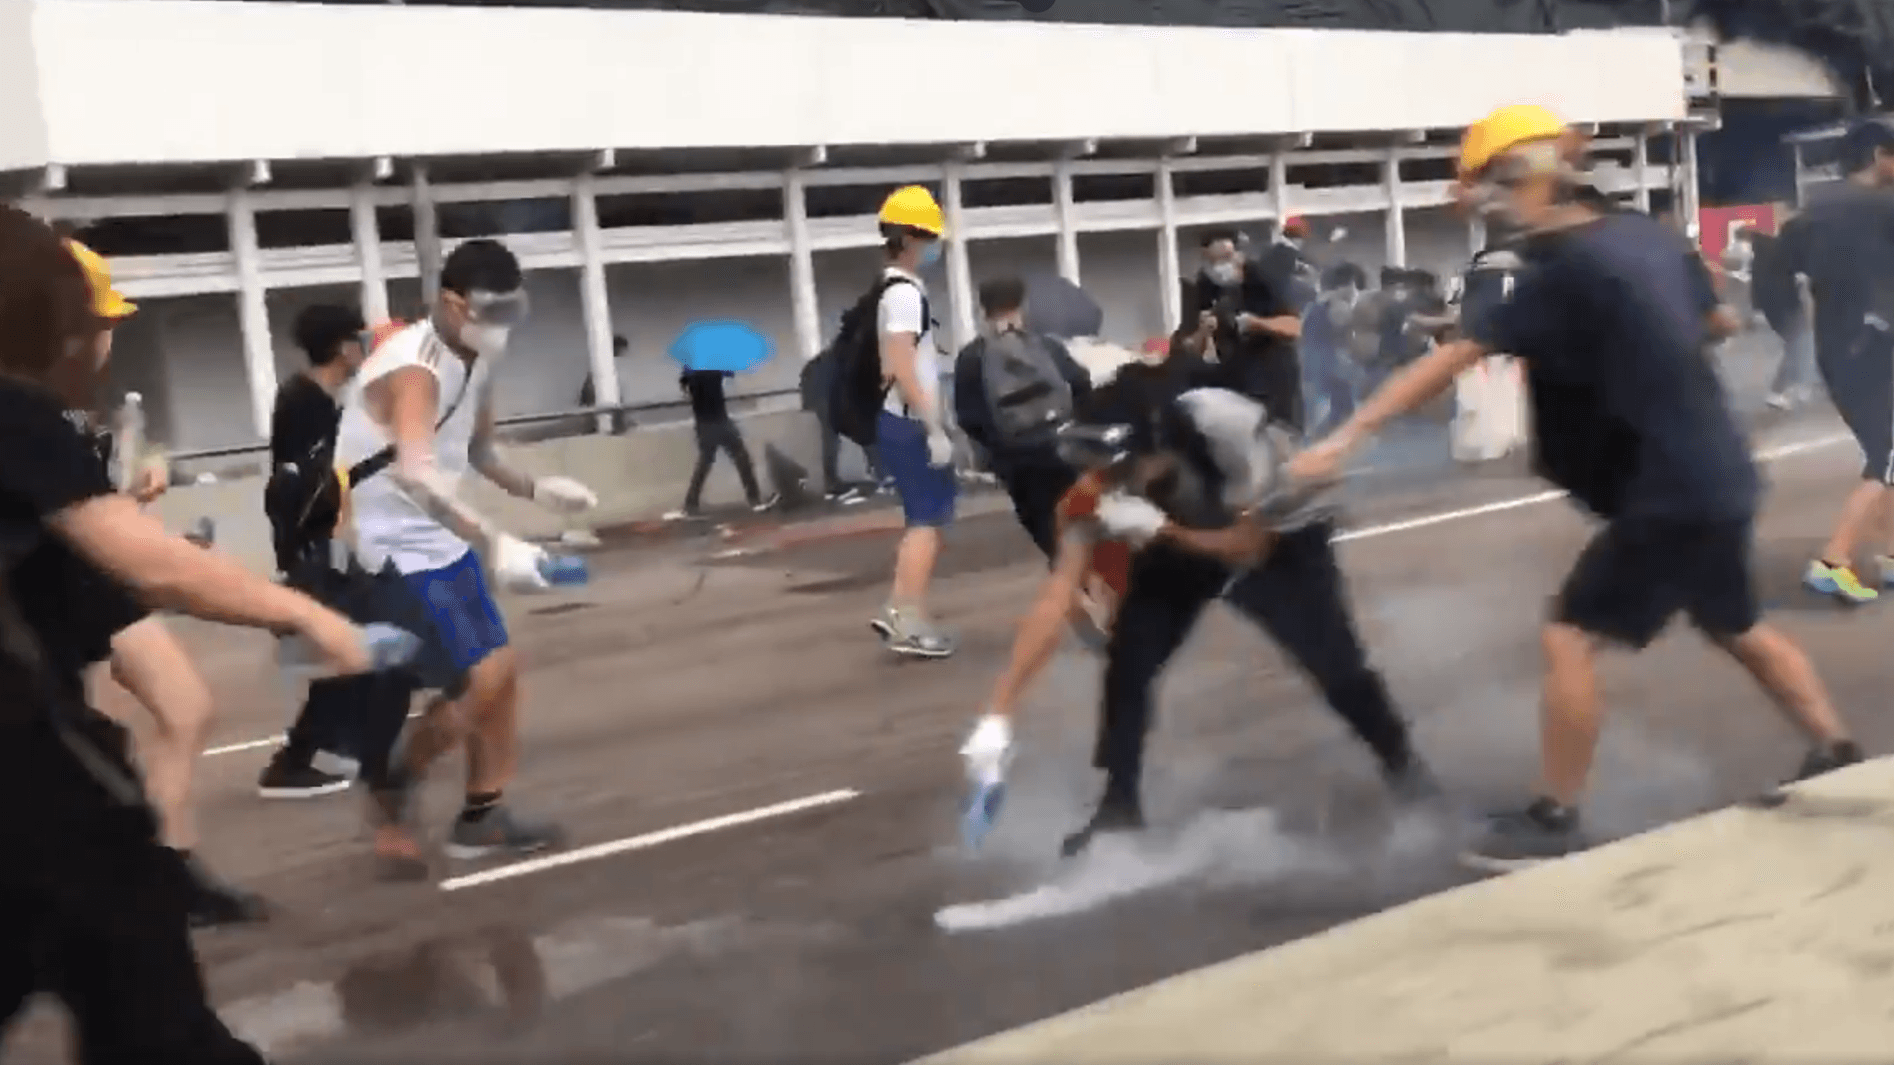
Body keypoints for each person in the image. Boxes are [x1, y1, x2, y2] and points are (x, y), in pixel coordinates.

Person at [1290, 104, 1863, 871]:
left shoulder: (1567, 270)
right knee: (1735, 624)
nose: (1483, 205)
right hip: (1718, 472)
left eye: (1487, 187)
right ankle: (1836, 747)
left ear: (1524, 178)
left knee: (1568, 633)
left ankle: (1553, 818)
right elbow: (1719, 321)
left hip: (1670, 488)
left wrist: (1341, 441)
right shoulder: (1642, 239)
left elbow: (1455, 355)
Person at [0, 204, 382, 1064]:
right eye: (91, 323)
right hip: (33, 779)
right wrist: (309, 613)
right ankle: (168, 871)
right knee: (159, 1021)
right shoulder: (20, 409)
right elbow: (153, 565)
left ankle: (172, 869)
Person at [1051, 367, 1437, 857]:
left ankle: (1410, 777)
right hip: (1187, 527)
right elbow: (1069, 569)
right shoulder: (1130, 474)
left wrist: (1163, 531)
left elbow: (1248, 548)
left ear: (1153, 444)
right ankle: (1118, 807)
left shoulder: (1227, 427)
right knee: (1130, 659)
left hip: (1283, 539)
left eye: (1119, 468)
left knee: (1336, 667)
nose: (1107, 481)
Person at [334, 237, 599, 863]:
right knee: (477, 679)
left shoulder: (476, 361)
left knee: (502, 675)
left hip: (438, 538)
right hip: (385, 547)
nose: (503, 327)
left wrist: (539, 490)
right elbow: (415, 475)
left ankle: (483, 813)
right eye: (492, 312)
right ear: (452, 303)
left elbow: (478, 452)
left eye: (513, 312)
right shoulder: (415, 367)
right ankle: (391, 779)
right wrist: (496, 538)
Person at [62, 239, 264, 927]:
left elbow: (82, 509)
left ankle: (166, 870)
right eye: (101, 323)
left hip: (88, 584)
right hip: (50, 595)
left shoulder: (62, 400)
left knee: (183, 706)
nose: (110, 336)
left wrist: (130, 496)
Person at [259, 302, 403, 799]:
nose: (364, 349)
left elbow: (334, 477)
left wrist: (384, 454)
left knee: (355, 649)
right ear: (343, 347)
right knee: (348, 651)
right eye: (360, 341)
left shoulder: (322, 400)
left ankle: (348, 747)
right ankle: (295, 760)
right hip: (314, 548)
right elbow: (316, 486)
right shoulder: (304, 403)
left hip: (324, 544)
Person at [1773, 119, 1894, 604]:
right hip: (1875, 345)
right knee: (1885, 459)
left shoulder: (1812, 212)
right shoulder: (1883, 208)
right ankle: (1832, 561)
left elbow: (1780, 275)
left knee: (1887, 455)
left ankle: (1889, 556)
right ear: (1879, 157)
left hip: (1836, 348)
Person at [867, 186, 957, 658]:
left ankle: (902, 612)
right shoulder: (903, 295)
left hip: (900, 420)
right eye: (930, 237)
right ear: (910, 239)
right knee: (927, 522)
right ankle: (906, 617)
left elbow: (892, 363)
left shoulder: (892, 292)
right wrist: (933, 426)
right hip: (910, 423)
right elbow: (901, 364)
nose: (935, 247)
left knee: (925, 520)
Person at [953, 276, 1093, 558]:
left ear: (983, 310)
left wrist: (998, 451)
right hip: (1062, 451)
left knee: (1048, 534)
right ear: (1022, 305)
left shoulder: (972, 356)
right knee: (1079, 526)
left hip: (1017, 463)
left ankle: (1073, 588)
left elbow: (968, 418)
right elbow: (1081, 383)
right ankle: (1093, 584)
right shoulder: (1047, 346)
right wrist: (1071, 425)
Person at [1188, 228, 1305, 427]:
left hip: (1277, 387)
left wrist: (1257, 324)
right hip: (1239, 389)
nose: (1219, 267)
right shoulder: (1209, 288)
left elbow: (1294, 326)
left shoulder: (1265, 280)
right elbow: (1192, 348)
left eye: (1225, 259)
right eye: (1213, 262)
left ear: (1238, 254)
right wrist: (1204, 331)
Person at [666, 367, 776, 520]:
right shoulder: (712, 367)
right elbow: (730, 372)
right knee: (740, 458)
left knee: (706, 463)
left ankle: (690, 504)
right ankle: (754, 500)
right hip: (719, 421)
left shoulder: (691, 372)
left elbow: (685, 387)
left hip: (704, 423)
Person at [1300, 262, 1368, 435]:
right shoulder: (1339, 307)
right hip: (1333, 368)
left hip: (1312, 365)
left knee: (1318, 418)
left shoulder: (1314, 305)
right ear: (1346, 285)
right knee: (1338, 417)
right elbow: (1351, 339)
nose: (1356, 291)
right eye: (1354, 285)